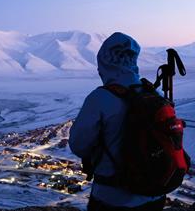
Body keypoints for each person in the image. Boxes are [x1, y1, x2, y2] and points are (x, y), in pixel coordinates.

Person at [69, 32, 166, 211]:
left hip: (113, 197)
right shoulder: (153, 94)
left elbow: (78, 145)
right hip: (155, 194)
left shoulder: (100, 97)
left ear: (104, 63)